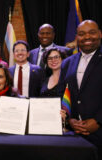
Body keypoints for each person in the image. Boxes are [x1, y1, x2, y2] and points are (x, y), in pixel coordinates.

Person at [59, 20, 102, 159]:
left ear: (100, 34)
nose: (87, 37)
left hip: (99, 133)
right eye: (82, 34)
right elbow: (63, 94)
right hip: (74, 135)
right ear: (77, 38)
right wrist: (70, 120)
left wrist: (98, 121)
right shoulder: (67, 63)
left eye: (92, 32)